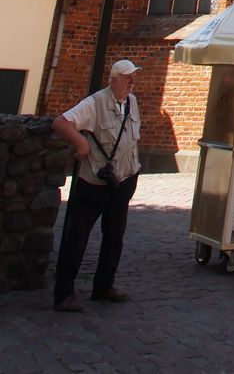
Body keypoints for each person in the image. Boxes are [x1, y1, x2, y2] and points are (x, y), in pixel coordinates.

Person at [51, 59, 143, 312]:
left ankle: (104, 286)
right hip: (94, 182)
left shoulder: (132, 102)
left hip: (123, 180)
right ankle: (64, 293)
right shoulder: (94, 103)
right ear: (113, 79)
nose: (132, 81)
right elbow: (61, 122)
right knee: (77, 236)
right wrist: (80, 142)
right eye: (127, 77)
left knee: (114, 236)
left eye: (133, 77)